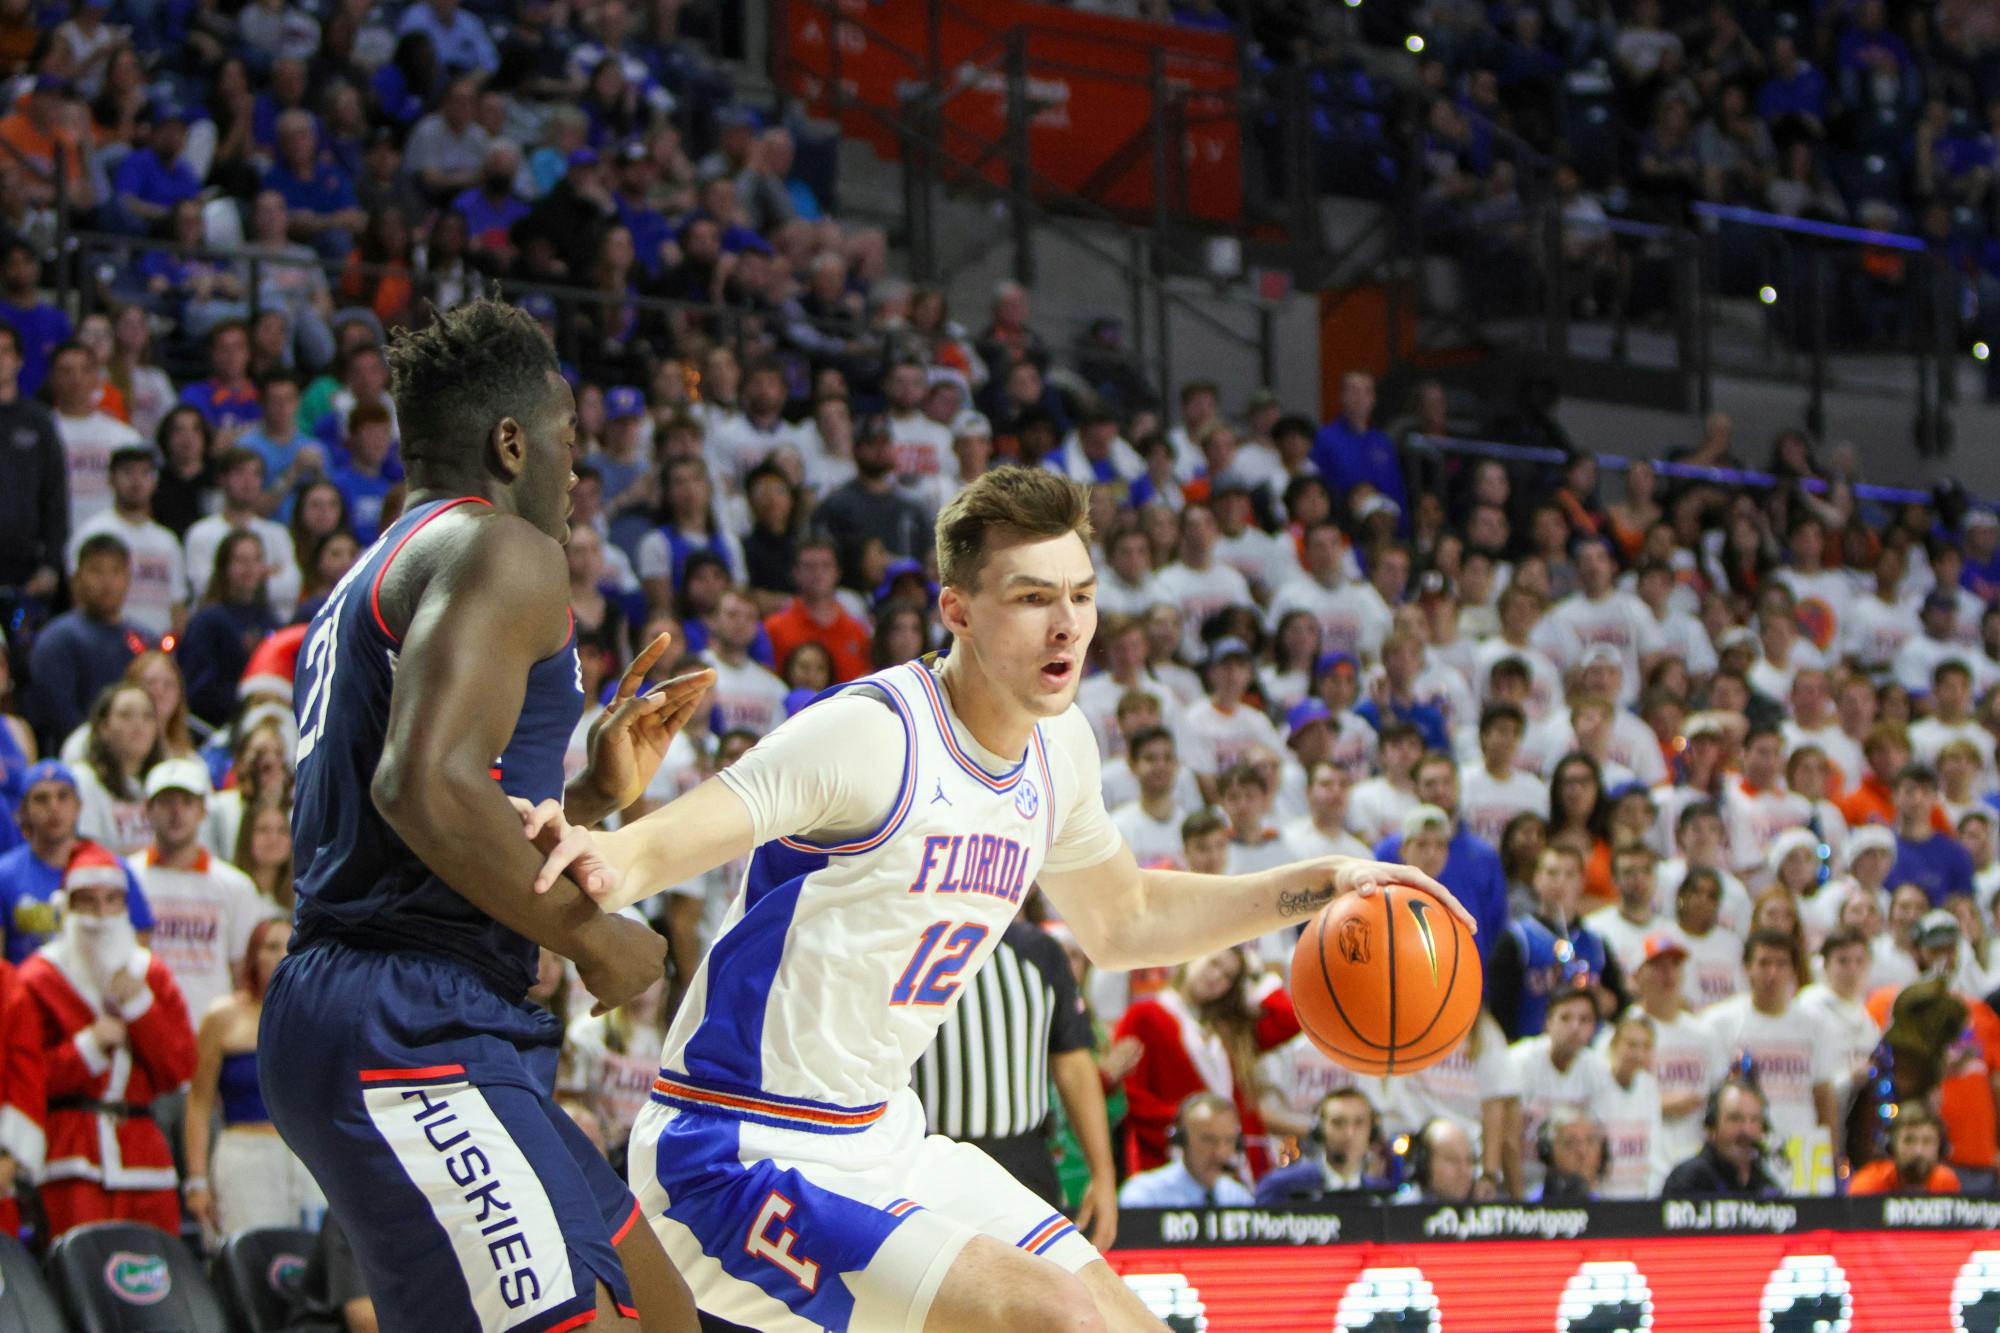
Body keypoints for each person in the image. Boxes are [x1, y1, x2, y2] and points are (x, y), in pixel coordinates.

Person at [517, 464, 1471, 1330]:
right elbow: (654, 850)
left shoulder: (1062, 751)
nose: (1067, 625)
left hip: (882, 1137)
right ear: (958, 611)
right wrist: (598, 837)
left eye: (1082, 596)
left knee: (1128, 1323)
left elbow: (1124, 919)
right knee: (1053, 1320)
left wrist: (1327, 881)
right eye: (1031, 599)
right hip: (733, 1149)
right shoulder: (871, 735)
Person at [256, 300, 707, 1333]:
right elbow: (418, 789)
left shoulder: (372, 573)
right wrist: (594, 939)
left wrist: (590, 793)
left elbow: (427, 804)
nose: (579, 472)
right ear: (511, 444)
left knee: (662, 1312)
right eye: (569, 443)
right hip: (403, 1016)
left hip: (413, 1004)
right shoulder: (503, 548)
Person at [18, 843, 196, 1237]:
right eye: (88, 902)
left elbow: (179, 1070)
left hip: (146, 1163)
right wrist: (90, 1046)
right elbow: (25, 1081)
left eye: (112, 901)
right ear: (67, 906)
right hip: (69, 1162)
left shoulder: (151, 974)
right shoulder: (37, 978)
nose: (101, 914)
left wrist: (141, 1010)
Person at [913, 918, 1119, 1247]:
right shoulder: (907, 942)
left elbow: (1074, 1067)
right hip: (924, 1160)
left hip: (1022, 1161)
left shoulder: (1038, 951)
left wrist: (1103, 1174)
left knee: (1035, 1286)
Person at [184, 917, 324, 1239]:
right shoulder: (222, 1016)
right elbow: (199, 1101)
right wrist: (196, 1181)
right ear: (252, 955)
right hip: (246, 1153)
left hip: (306, 1155)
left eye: (290, 946)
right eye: (271, 947)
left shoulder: (315, 1015)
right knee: (251, 1253)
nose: (280, 955)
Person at [127, 757, 269, 1023]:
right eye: (166, 802)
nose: (176, 812)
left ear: (203, 810)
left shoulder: (235, 886)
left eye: (187, 802)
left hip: (212, 1032)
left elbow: (243, 973)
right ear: (147, 810)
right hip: (144, 1029)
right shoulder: (128, 878)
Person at [1702, 929, 1840, 1194]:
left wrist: (1831, 1154)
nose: (1772, 973)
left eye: (1781, 964)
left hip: (1803, 1145)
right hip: (1745, 1146)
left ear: (1793, 971)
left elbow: (1823, 1095)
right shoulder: (1719, 1023)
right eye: (1764, 963)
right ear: (1747, 968)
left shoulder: (1817, 1023)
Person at [0, 761, 154, 964]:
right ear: (24, 811)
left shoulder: (112, 869)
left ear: (78, 806)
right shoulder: (5, 875)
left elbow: (141, 942)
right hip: (27, 991)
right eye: (41, 799)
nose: (53, 807)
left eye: (63, 796)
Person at [24, 533, 153, 749]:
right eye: (96, 571)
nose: (107, 582)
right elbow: (60, 717)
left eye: (116, 571)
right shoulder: (58, 639)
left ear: (128, 577)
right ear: (77, 578)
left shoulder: (145, 639)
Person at [1116, 1093, 1255, 1208]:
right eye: (1208, 1140)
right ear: (1181, 1141)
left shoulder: (1238, 1198)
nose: (1220, 1152)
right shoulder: (1145, 1195)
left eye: (1229, 1141)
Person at [1253, 1088, 1390, 1203]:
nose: (1349, 1134)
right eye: (1338, 1123)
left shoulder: (1383, 1196)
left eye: (1359, 1123)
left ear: (1372, 1131)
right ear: (1319, 1130)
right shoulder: (1280, 1187)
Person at [1660, 1079, 1782, 1197]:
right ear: (1711, 1127)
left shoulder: (1767, 1187)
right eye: (1735, 1118)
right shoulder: (1687, 1181)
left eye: (1754, 1120)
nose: (1746, 1130)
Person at [1890, 763, 1976, 905]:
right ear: (1894, 796)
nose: (1917, 800)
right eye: (1909, 791)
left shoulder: (1955, 853)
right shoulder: (1878, 850)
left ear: (1935, 798)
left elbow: (1964, 907)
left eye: (1925, 792)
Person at [1845, 1100, 1961, 1194]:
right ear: (1891, 1146)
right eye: (1909, 1141)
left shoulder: (1946, 1183)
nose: (1918, 1151)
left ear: (1940, 1147)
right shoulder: (1868, 1184)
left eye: (1927, 1141)